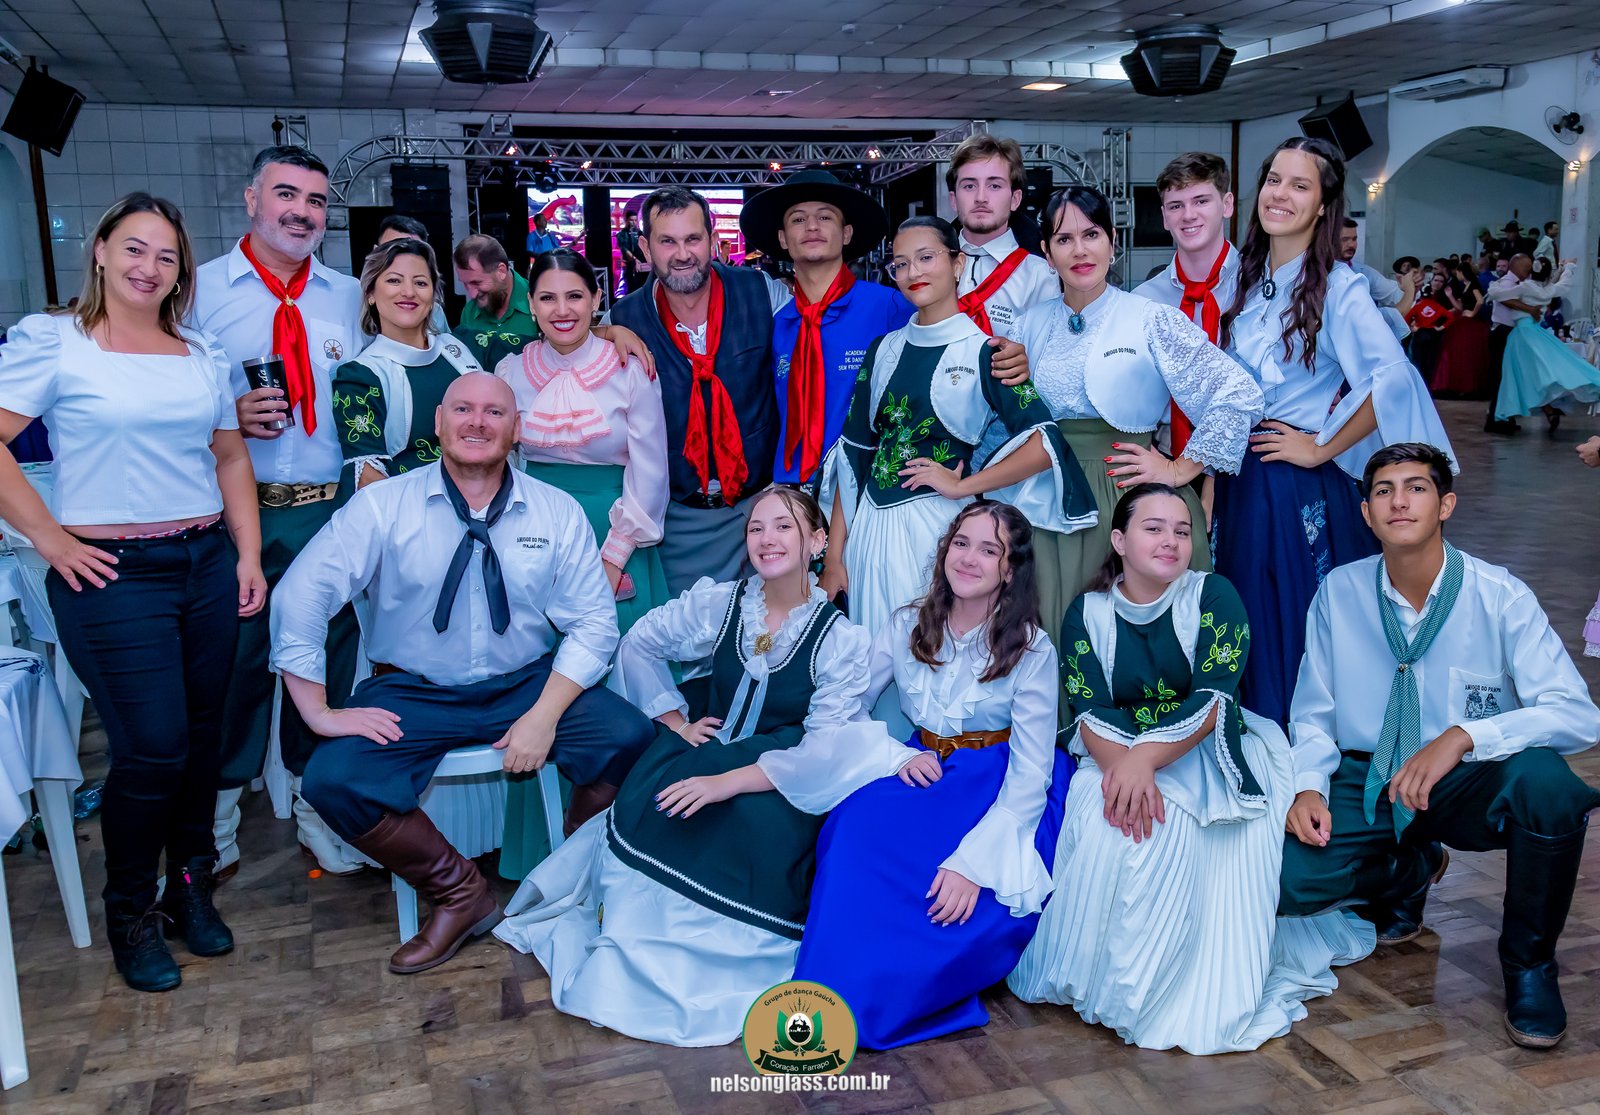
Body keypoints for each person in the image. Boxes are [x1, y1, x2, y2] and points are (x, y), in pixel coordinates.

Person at [494, 485, 920, 1046]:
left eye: (784, 527)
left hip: (781, 777)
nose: (767, 539)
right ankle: (633, 949)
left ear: (818, 541)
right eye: (756, 528)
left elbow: (823, 752)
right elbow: (639, 642)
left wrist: (727, 783)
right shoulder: (722, 604)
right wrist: (674, 720)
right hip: (710, 748)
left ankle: (702, 964)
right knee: (665, 804)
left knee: (748, 827)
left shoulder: (840, 640)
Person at [274, 373, 655, 975]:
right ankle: (459, 894)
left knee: (629, 736)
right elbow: (300, 594)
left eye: (494, 413)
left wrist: (543, 717)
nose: (477, 422)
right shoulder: (382, 505)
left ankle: (575, 870)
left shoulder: (555, 511)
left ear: (517, 429)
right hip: (413, 689)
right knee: (334, 779)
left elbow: (593, 624)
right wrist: (319, 712)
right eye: (463, 409)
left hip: (524, 683)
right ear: (439, 423)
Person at [0, 194, 266, 991]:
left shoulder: (200, 351)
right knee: (152, 746)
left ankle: (190, 886)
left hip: (205, 562)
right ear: (101, 252)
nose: (150, 267)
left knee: (203, 738)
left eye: (167, 255)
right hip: (110, 574)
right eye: (135, 249)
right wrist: (50, 539)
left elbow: (229, 457)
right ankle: (130, 913)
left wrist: (247, 554)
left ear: (180, 271)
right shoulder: (57, 341)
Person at [1279, 443, 1600, 1050]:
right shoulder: (1339, 592)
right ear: (1367, 514)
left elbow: (1578, 715)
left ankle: (1530, 966)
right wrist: (1307, 787)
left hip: (1466, 780)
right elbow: (1314, 711)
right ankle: (1408, 870)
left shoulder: (1499, 596)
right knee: (1283, 881)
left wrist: (1466, 735)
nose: (1399, 501)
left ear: (1446, 504)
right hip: (1367, 776)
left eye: (1417, 488)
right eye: (1383, 491)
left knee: (1550, 787)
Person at [1010, 484, 1340, 1054]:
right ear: (1119, 541)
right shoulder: (1088, 611)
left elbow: (1214, 697)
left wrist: (1147, 760)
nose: (1171, 540)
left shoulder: (1215, 595)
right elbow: (1089, 705)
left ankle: (1162, 991)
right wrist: (1124, 772)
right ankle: (1098, 978)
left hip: (1209, 748)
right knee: (1097, 813)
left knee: (1170, 829)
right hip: (1114, 752)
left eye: (1182, 531)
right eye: (1154, 528)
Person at [794, 501, 1072, 1049]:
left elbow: (1031, 772)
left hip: (997, 781)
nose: (968, 558)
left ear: (1010, 569)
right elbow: (845, 707)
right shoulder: (907, 623)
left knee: (955, 898)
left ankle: (877, 999)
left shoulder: (1031, 648)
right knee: (852, 829)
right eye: (961, 543)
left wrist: (974, 863)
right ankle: (824, 991)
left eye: (989, 550)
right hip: (920, 765)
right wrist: (892, 757)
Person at [1215, 137, 1455, 728]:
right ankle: (1253, 747)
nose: (1280, 194)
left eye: (1300, 185)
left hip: (1293, 480)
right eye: (1274, 180)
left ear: (1323, 205)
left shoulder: (1339, 287)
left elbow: (1391, 378)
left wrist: (1320, 445)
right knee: (1243, 614)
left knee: (1293, 617)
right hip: (1243, 475)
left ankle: (1302, 753)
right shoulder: (1246, 274)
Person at [191, 145, 365, 880]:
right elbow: (164, 393)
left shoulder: (349, 296)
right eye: (286, 194)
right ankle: (217, 822)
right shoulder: (197, 290)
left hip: (329, 512)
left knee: (323, 665)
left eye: (315, 201)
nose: (301, 212)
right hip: (236, 514)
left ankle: (316, 809)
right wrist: (224, 416)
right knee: (233, 666)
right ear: (251, 199)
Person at [492, 248, 668, 878]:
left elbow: (650, 470)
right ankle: (544, 853)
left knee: (621, 681)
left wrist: (613, 556)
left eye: (575, 296)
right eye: (547, 297)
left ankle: (633, 852)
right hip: (533, 537)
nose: (562, 309)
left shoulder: (629, 368)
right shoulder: (510, 371)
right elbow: (504, 466)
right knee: (542, 679)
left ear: (597, 300)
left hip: (616, 533)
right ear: (530, 304)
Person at [1019, 185, 1262, 640]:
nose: (1080, 250)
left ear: (1113, 240)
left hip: (1128, 496)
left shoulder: (1150, 318)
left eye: (1091, 234)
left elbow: (1237, 392)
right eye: (1064, 239)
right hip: (1047, 498)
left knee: (1133, 636)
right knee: (1053, 629)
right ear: (1047, 254)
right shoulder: (1028, 324)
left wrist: (1178, 469)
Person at [820, 217, 1076, 637]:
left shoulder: (987, 353)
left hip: (942, 534)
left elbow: (1045, 445)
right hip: (867, 532)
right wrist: (834, 557)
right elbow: (854, 456)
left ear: (958, 264)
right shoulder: (881, 350)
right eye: (901, 264)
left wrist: (963, 486)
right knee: (872, 655)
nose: (913, 272)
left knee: (935, 652)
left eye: (926, 257)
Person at [607, 186, 790, 593]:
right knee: (684, 629)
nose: (682, 254)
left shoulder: (762, 293)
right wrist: (601, 332)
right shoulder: (624, 318)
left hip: (760, 508)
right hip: (677, 521)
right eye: (667, 242)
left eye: (692, 239)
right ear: (645, 247)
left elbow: (808, 370)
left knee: (767, 627)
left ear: (712, 240)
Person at [738, 169, 912, 491]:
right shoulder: (779, 323)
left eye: (825, 217)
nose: (812, 226)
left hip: (866, 488)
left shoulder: (890, 307)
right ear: (783, 238)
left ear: (846, 234)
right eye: (798, 219)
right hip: (794, 492)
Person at [331, 237, 483, 503]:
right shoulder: (360, 376)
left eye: (420, 283)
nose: (409, 292)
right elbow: (369, 480)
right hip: (412, 516)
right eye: (394, 280)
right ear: (370, 293)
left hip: (488, 509)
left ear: (433, 296)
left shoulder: (461, 346)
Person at [1133, 152, 1239, 469]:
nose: (1188, 215)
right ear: (1165, 217)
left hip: (1245, 454)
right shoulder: (1144, 301)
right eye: (1176, 206)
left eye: (1201, 201)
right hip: (1167, 452)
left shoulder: (1259, 287)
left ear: (1227, 205)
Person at [947, 133, 1059, 339]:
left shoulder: (1038, 274)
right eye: (969, 186)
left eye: (995, 186)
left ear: (1015, 199)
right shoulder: (932, 264)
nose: (981, 197)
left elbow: (1044, 350)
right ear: (953, 199)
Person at [1491, 257, 1600, 433]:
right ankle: (1547, 409)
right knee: (1543, 369)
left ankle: (1510, 411)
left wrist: (1494, 285)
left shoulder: (1525, 287)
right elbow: (1564, 284)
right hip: (1536, 332)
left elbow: (1498, 295)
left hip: (1521, 335)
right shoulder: (1548, 290)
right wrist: (1568, 268)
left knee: (1516, 375)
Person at [452, 234, 537, 370]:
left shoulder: (540, 302)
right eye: (465, 284)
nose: (472, 294)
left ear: (501, 271)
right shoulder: (469, 312)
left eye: (477, 282)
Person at [1484, 254, 1535, 433]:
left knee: (1508, 377)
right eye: (1527, 267)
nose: (1529, 270)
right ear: (1516, 266)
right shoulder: (1506, 283)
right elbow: (1505, 299)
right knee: (1500, 377)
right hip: (1502, 332)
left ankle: (1506, 417)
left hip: (1509, 333)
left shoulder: (1518, 284)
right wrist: (1530, 309)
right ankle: (1495, 419)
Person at [1337, 219, 1409, 343]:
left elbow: (1392, 293)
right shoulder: (1316, 273)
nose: (1351, 245)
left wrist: (1411, 289)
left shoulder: (1364, 272)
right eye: (1345, 239)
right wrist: (1409, 291)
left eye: (1354, 239)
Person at [376, 214, 447, 334]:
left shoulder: (435, 312)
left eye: (415, 251)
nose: (408, 292)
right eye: (393, 249)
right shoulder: (353, 305)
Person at [1430, 261, 1492, 398]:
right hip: (1464, 322)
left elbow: (1480, 301)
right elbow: (1461, 305)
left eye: (1458, 272)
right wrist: (1451, 296)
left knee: (1465, 354)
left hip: (1471, 324)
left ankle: (1466, 386)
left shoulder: (1473, 285)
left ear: (1462, 272)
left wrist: (1472, 313)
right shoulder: (1466, 285)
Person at [1402, 270, 1454, 385]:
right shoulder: (1435, 305)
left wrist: (1413, 327)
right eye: (1436, 280)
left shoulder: (1432, 302)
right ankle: (1426, 384)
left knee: (1420, 360)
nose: (1438, 283)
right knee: (1428, 360)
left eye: (1441, 281)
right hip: (1430, 332)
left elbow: (1407, 317)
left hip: (1427, 333)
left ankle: (1419, 383)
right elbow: (1450, 316)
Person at [615, 208, 646, 297]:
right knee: (630, 288)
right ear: (626, 221)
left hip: (643, 266)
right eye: (631, 220)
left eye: (635, 220)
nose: (634, 222)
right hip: (629, 266)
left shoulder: (640, 233)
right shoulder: (622, 234)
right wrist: (635, 259)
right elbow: (624, 249)